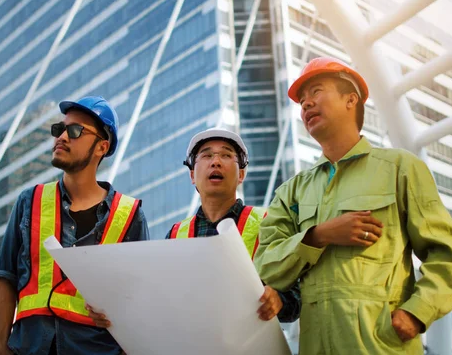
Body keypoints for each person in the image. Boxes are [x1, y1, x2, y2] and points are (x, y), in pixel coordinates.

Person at [253, 57, 452, 354]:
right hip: (316, 346)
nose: (305, 104)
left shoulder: (400, 168)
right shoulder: (291, 192)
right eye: (302, 100)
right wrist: (320, 235)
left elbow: (450, 255)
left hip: (382, 346)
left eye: (316, 91)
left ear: (350, 99)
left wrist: (417, 311)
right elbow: (266, 266)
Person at [88, 128, 300, 328]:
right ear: (192, 176)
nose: (216, 162)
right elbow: (158, 299)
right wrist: (114, 312)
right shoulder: (176, 235)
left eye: (226, 155)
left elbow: (297, 296)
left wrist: (279, 301)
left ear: (241, 175)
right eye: (206, 156)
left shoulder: (268, 223)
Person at [0, 96, 149, 355]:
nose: (62, 136)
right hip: (30, 348)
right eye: (60, 129)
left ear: (102, 147)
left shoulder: (130, 215)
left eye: (75, 131)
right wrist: (0, 347)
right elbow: (6, 279)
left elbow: (139, 298)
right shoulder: (29, 202)